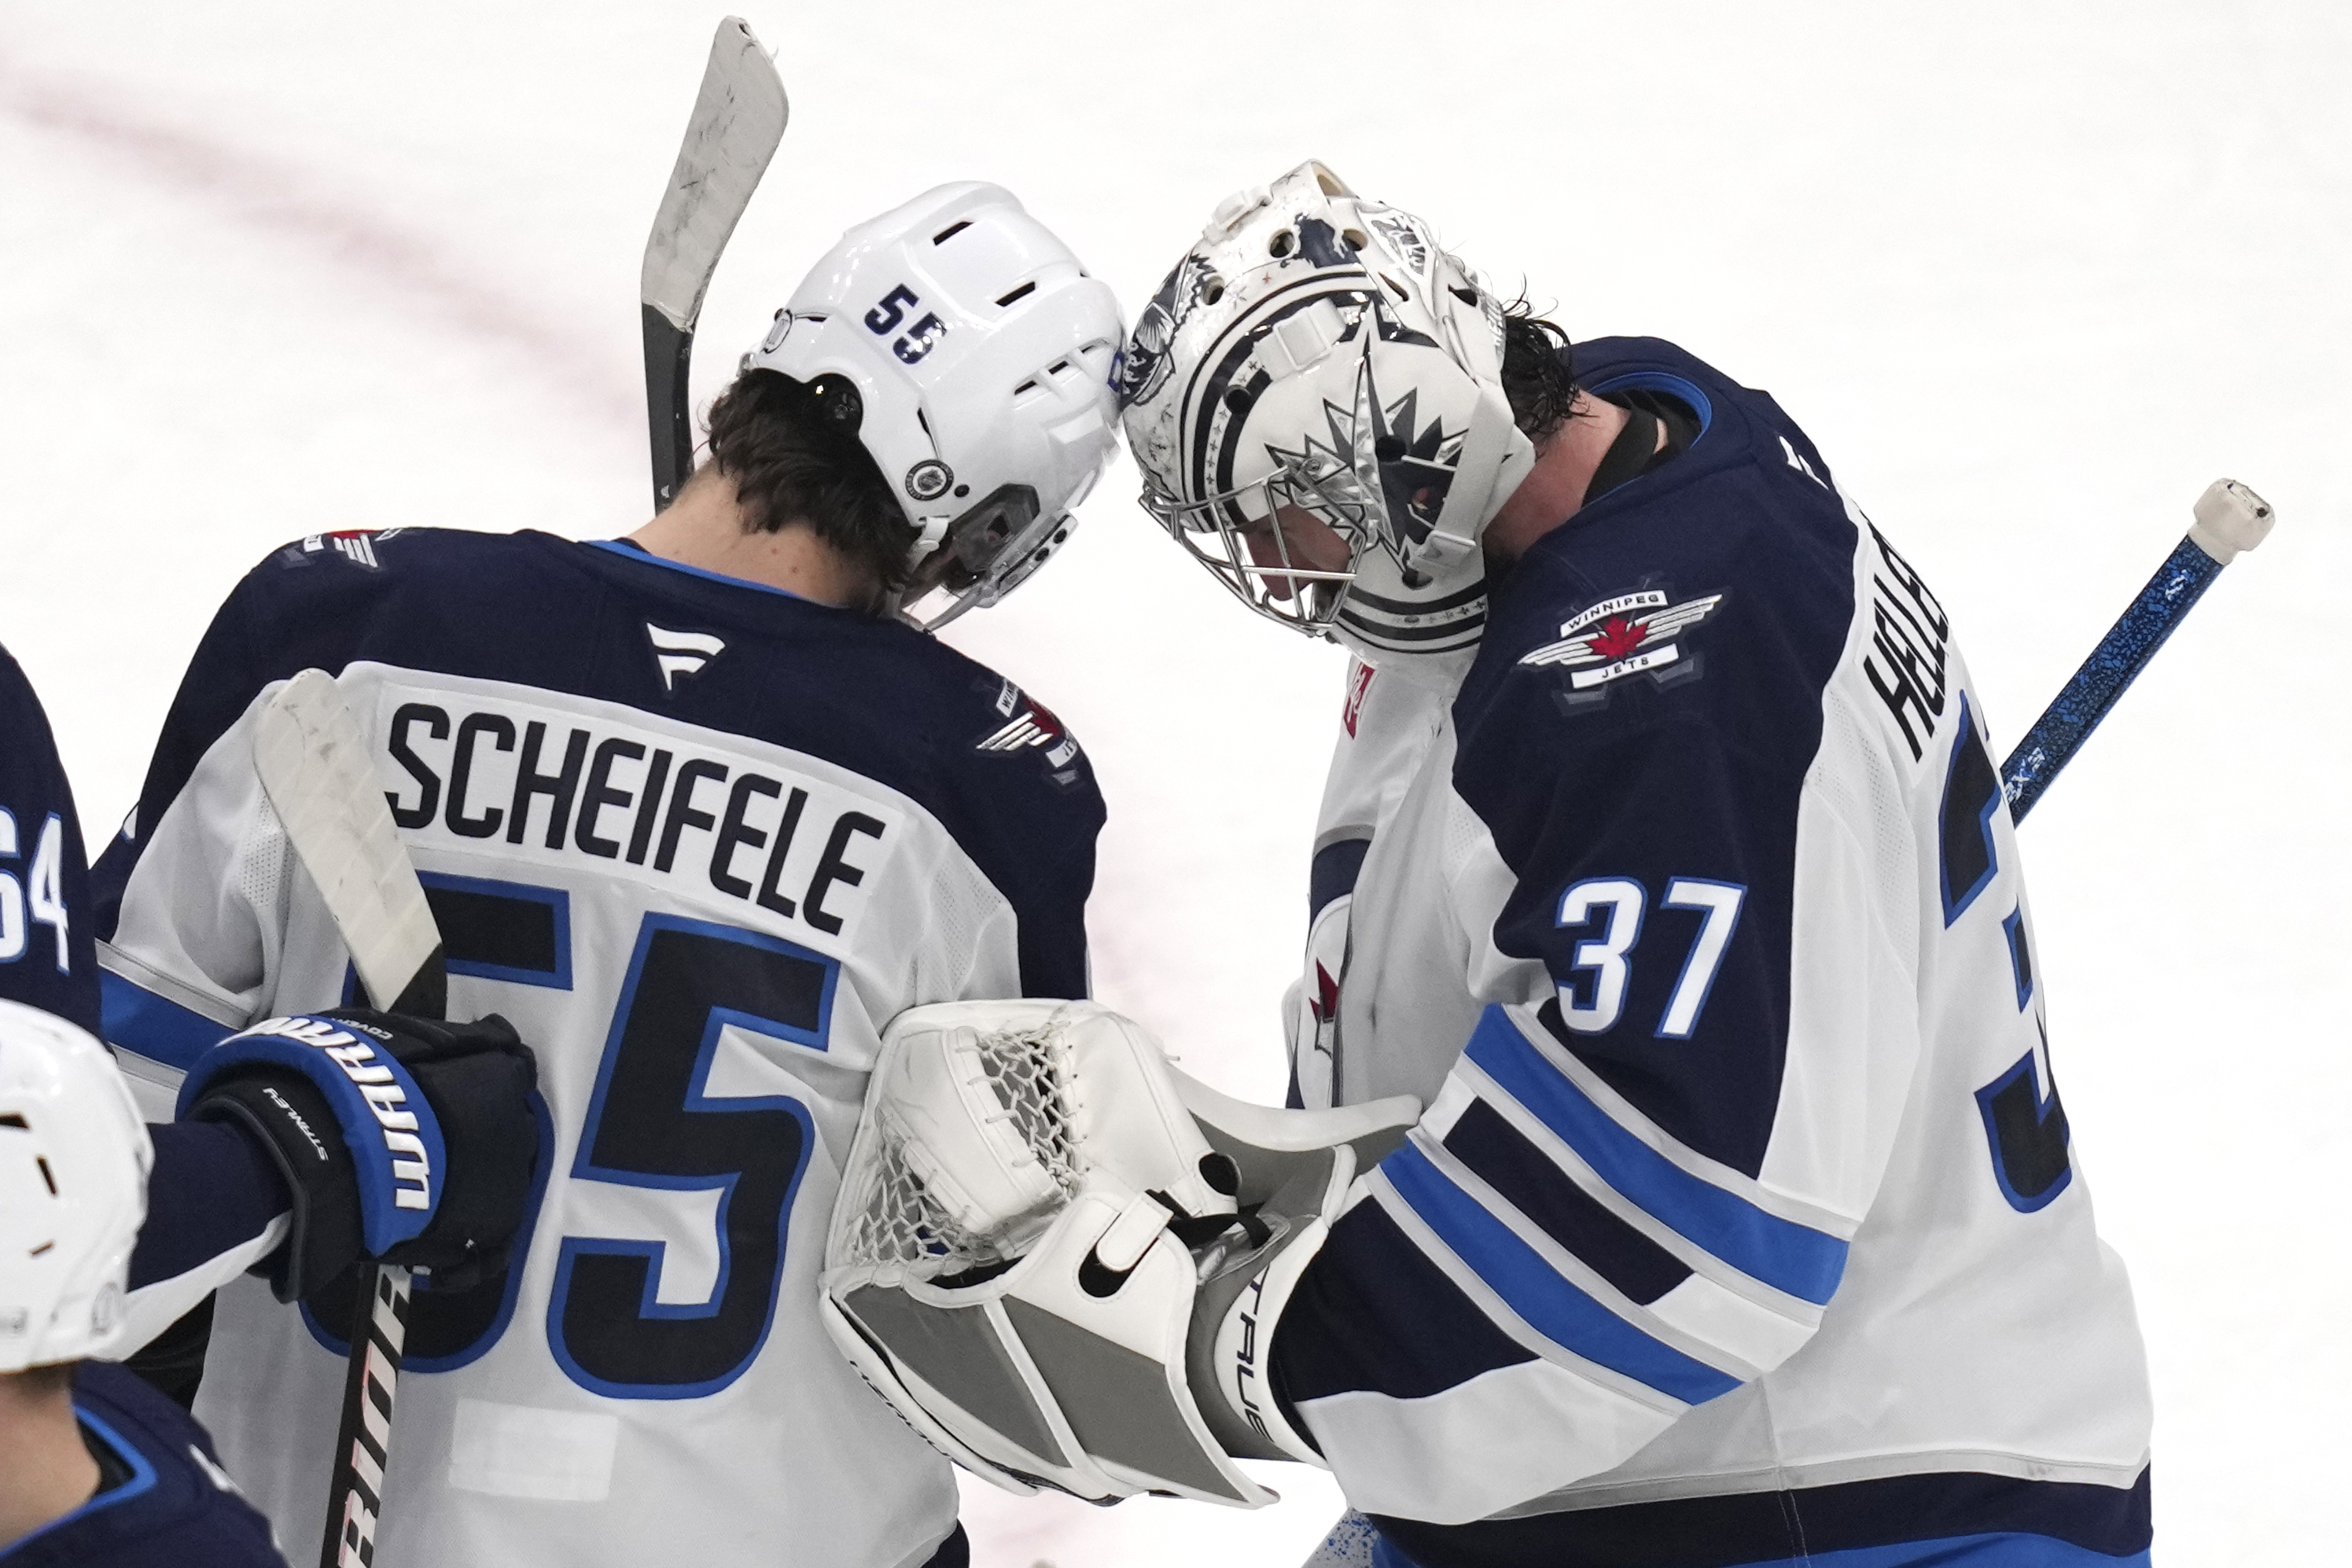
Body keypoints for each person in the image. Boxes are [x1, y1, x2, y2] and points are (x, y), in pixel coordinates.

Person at [1105, 162, 2151, 1565]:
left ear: (1397, 451)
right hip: (1655, 1470)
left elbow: (1686, 1219)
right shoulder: (1595, 497)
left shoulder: (1661, 682)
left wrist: (1261, 1355)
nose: (1284, 573)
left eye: (1287, 521)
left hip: (1833, 1502)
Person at [90, 180, 1123, 1568]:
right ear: (979, 529)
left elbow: (82, 1165)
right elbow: (993, 1284)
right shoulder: (992, 791)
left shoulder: (332, 628)